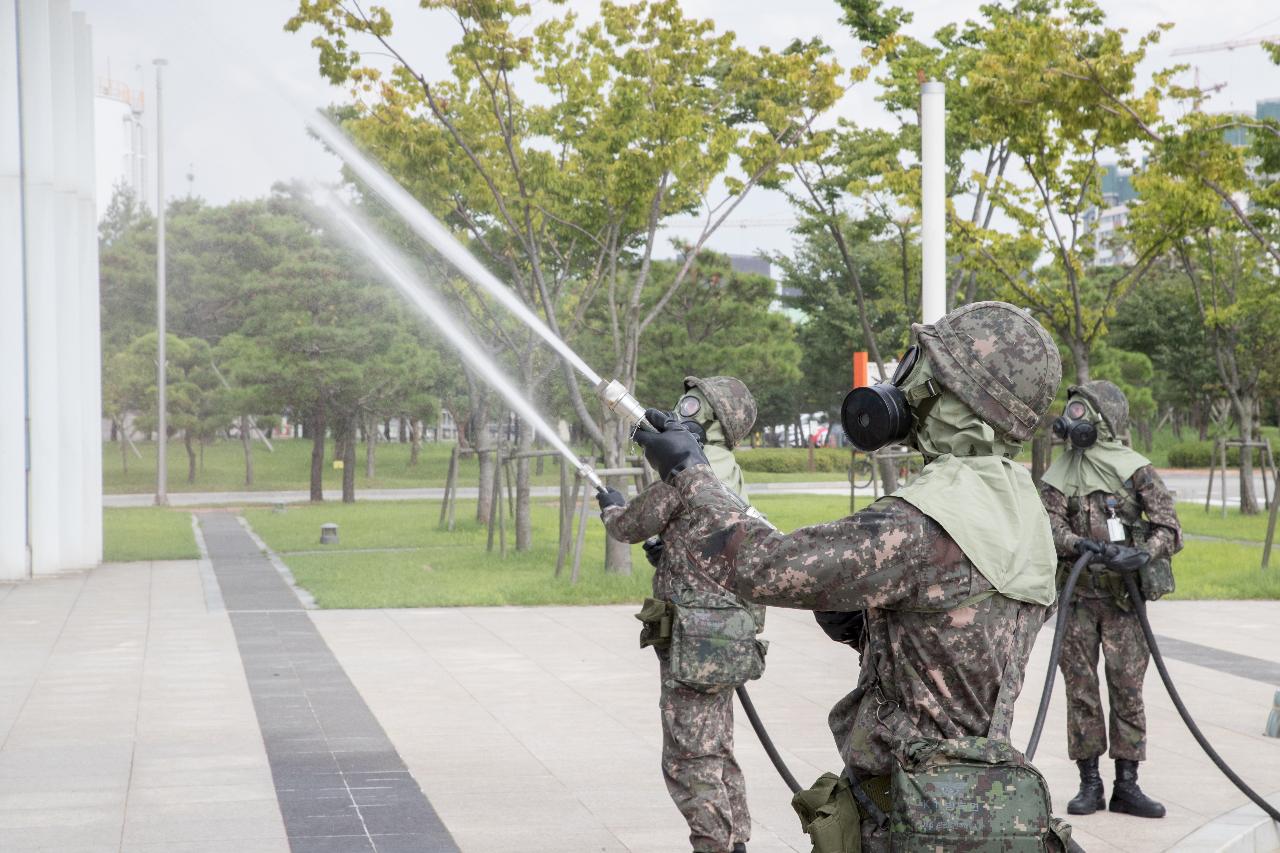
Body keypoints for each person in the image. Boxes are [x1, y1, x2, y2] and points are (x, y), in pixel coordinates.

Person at [629, 302, 1077, 852]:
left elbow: (761, 565)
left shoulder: (922, 520)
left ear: (952, 390)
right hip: (974, 809)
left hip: (905, 814)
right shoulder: (1023, 508)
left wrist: (688, 471)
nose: (903, 381)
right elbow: (963, 641)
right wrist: (865, 627)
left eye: (920, 367)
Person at [596, 376, 762, 853]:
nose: (681, 409)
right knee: (719, 749)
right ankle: (736, 842)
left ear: (711, 417)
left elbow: (631, 524)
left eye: (692, 404)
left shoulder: (689, 473)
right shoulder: (728, 469)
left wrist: (611, 507)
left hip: (697, 640)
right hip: (730, 632)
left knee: (690, 760)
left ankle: (716, 846)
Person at [1040, 380, 1183, 819]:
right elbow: (1047, 524)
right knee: (1080, 691)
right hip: (1078, 599)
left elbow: (1170, 528)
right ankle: (1090, 784)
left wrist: (1141, 553)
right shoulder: (1059, 474)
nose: (1075, 421)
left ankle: (1127, 784)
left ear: (1105, 421)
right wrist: (1078, 544)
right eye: (1073, 412)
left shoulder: (1136, 470)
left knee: (1127, 689)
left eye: (1085, 413)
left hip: (1124, 602)